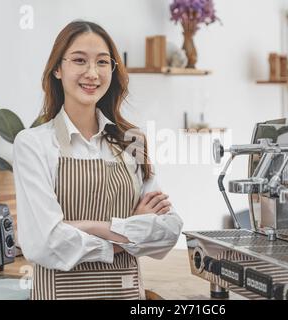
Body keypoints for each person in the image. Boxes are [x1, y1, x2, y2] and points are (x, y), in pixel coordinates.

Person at [13, 20, 183, 300]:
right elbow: (45, 243)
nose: (92, 73)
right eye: (79, 60)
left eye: (103, 62)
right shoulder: (32, 144)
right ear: (57, 68)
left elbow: (169, 231)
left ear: (112, 71)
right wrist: (131, 230)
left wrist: (85, 227)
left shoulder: (132, 141)